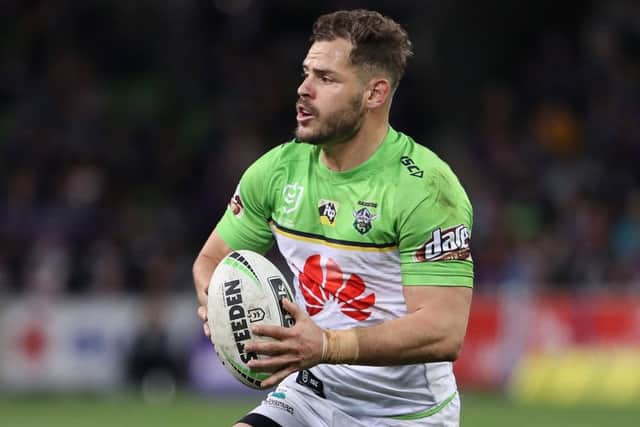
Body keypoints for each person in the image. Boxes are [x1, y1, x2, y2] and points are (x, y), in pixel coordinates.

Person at [193, 9, 473, 427]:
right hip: (309, 398)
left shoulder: (427, 189)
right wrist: (218, 304)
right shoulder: (276, 171)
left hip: (407, 415)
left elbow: (443, 329)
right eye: (307, 74)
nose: (304, 90)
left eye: (326, 79)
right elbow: (211, 261)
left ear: (375, 94)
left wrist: (326, 344)